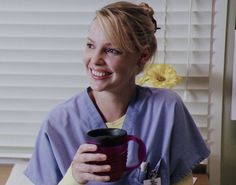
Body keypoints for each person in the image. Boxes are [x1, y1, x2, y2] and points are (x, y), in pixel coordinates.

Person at [24, 1, 210, 185]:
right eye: (90, 45)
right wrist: (74, 177)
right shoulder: (58, 124)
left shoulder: (166, 109)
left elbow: (182, 179)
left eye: (111, 50)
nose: (95, 60)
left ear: (142, 56)